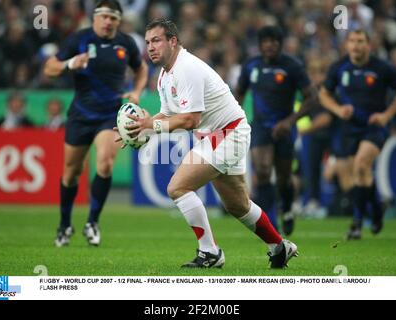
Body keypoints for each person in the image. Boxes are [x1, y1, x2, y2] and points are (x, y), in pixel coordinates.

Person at [117, 18, 298, 269]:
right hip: (219, 134)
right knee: (238, 205)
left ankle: (210, 252)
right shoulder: (165, 75)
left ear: (173, 41)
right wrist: (140, 128)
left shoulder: (186, 68)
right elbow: (168, 115)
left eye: (156, 40)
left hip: (227, 133)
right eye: (147, 42)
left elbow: (191, 120)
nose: (150, 47)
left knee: (177, 187)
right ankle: (279, 247)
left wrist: (152, 126)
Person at [43, 0, 148, 247]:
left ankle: (92, 221)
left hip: (110, 115)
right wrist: (70, 64)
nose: (108, 21)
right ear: (94, 18)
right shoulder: (78, 40)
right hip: (80, 114)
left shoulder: (126, 43)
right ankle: (65, 224)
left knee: (105, 162)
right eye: (104, 16)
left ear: (119, 21)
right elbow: (49, 68)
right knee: (71, 173)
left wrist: (136, 92)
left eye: (113, 17)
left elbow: (141, 68)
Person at [235, 26, 316, 235]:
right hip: (261, 126)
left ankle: (287, 208)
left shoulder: (292, 66)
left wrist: (290, 121)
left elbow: (311, 97)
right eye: (265, 41)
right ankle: (270, 223)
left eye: (274, 41)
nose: (269, 44)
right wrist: (236, 118)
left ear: (280, 44)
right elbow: (239, 94)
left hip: (285, 127)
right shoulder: (250, 65)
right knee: (262, 171)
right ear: (260, 44)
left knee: (283, 178)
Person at [319, 29, 396, 240]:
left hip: (374, 127)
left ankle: (356, 224)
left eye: (360, 41)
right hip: (349, 129)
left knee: (361, 166)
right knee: (358, 176)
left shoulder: (382, 68)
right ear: (347, 45)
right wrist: (338, 110)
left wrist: (386, 115)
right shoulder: (339, 67)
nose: (356, 45)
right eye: (352, 41)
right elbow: (324, 95)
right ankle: (376, 207)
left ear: (368, 45)